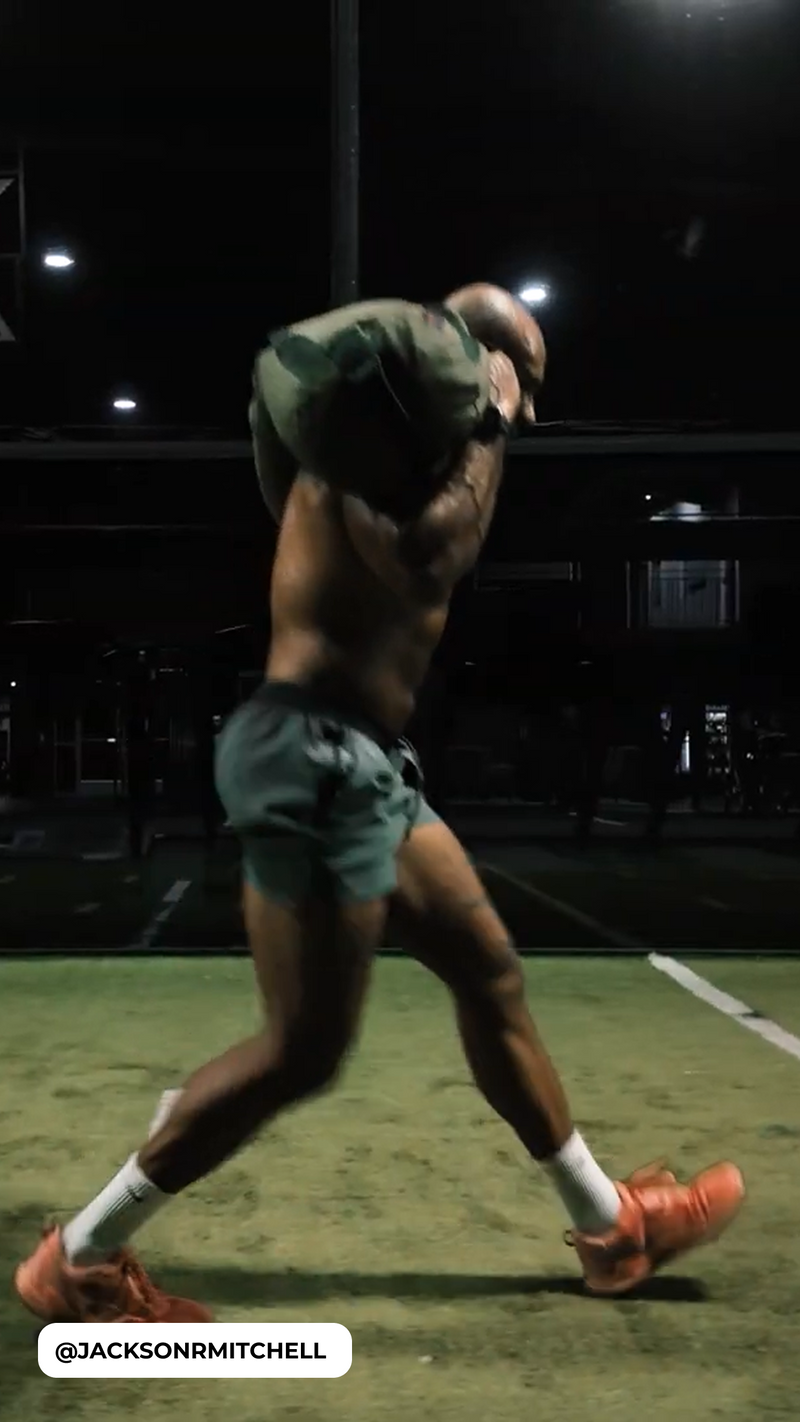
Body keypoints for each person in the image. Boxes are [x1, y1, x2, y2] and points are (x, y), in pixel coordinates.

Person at [16, 286, 744, 1323]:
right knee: (300, 1051)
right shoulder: (364, 460)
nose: (525, 411)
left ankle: (610, 1231)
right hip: (312, 760)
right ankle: (79, 1257)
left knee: (488, 973)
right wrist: (492, 418)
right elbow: (435, 553)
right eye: (521, 381)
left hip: (364, 763)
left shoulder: (390, 457)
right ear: (465, 370)